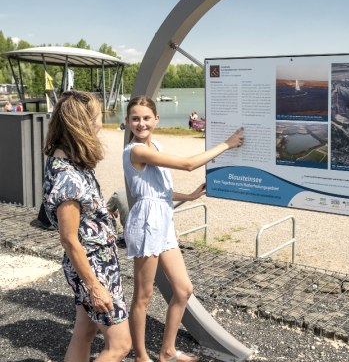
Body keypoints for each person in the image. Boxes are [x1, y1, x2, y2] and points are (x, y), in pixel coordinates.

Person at [123, 96, 244, 362]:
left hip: (162, 220)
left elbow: (157, 191)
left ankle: (167, 351)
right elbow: (188, 165)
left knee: (183, 289)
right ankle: (141, 357)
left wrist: (187, 197)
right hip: (146, 224)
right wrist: (227, 144)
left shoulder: (155, 144)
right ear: (127, 122)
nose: (141, 123)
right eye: (135, 118)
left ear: (156, 119)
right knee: (143, 296)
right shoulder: (136, 150)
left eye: (146, 118)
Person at [42, 90, 131, 362]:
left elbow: (80, 219)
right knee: (120, 345)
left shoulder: (69, 160)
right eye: (97, 116)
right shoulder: (67, 176)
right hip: (93, 267)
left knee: (84, 333)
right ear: (83, 124)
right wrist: (94, 286)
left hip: (95, 261)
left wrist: (101, 217)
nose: (100, 122)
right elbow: (69, 239)